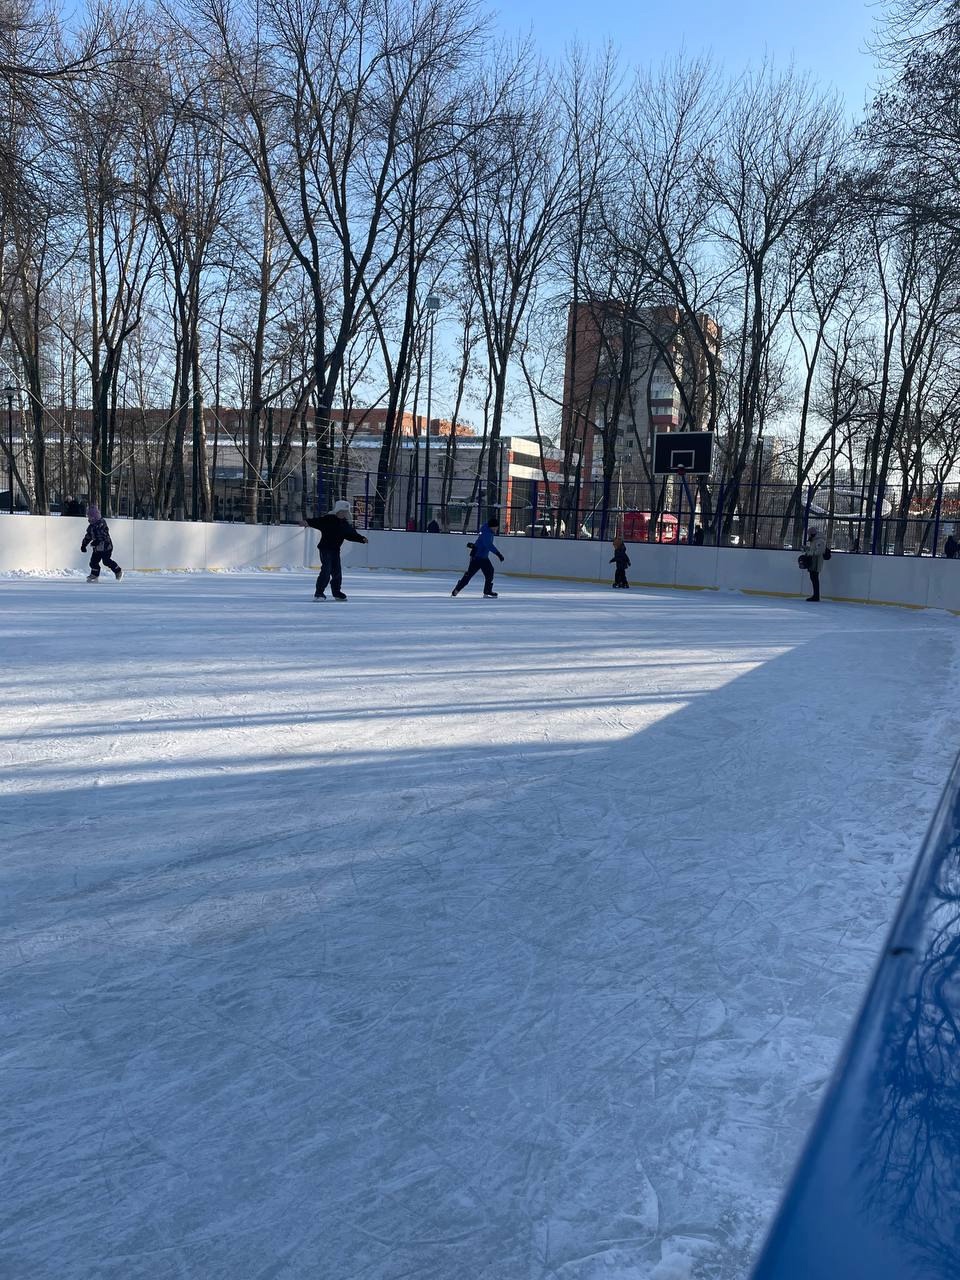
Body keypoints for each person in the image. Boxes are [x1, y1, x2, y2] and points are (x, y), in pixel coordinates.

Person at [301, 499, 368, 601]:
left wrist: (361, 539)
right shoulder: (328, 519)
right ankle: (319, 593)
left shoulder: (344, 524)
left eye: (346, 512)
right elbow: (316, 521)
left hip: (335, 550)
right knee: (326, 571)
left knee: (337, 572)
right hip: (325, 549)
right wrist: (307, 522)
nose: (344, 514)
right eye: (342, 511)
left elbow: (351, 535)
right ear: (337, 510)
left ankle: (337, 593)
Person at [452, 517, 504, 598]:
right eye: (496, 527)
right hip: (480, 557)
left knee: (470, 574)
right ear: (492, 526)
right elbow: (489, 545)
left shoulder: (486, 530)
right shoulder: (487, 533)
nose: (497, 529)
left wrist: (474, 546)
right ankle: (487, 590)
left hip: (476, 555)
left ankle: (457, 589)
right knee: (489, 572)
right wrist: (498, 554)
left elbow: (480, 543)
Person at [80, 504, 123, 582]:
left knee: (106, 561)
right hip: (97, 548)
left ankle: (118, 571)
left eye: (90, 517)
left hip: (106, 547)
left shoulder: (101, 524)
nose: (89, 519)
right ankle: (94, 575)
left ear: (95, 517)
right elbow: (88, 536)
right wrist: (84, 545)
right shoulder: (91, 526)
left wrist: (97, 541)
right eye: (88, 517)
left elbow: (103, 535)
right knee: (93, 561)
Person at [800, 527, 826, 602]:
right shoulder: (814, 540)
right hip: (813, 561)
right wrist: (807, 548)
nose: (808, 536)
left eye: (809, 534)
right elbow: (814, 549)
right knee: (813, 578)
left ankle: (816, 596)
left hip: (816, 562)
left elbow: (819, 551)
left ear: (812, 534)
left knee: (814, 578)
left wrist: (809, 553)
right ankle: (815, 595)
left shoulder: (820, 541)